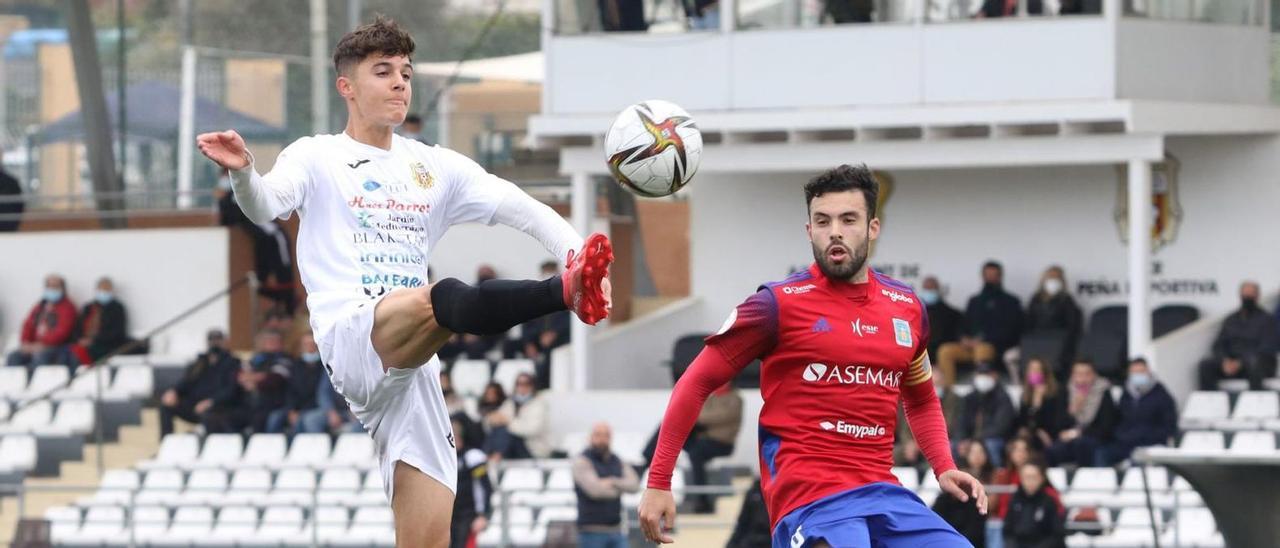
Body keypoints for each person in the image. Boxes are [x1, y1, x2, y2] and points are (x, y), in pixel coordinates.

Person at [196, 16, 613, 547]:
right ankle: (560, 294)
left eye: (407, 73)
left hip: (414, 370)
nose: (399, 83)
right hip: (353, 332)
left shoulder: (434, 166)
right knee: (440, 300)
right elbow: (265, 205)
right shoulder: (316, 155)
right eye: (383, 71)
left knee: (428, 540)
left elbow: (521, 208)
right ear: (347, 87)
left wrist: (575, 252)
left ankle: (568, 285)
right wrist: (242, 173)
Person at [638, 165, 985, 546]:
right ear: (810, 231)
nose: (834, 230)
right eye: (823, 221)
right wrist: (659, 481)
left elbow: (920, 398)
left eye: (848, 219)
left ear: (873, 227)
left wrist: (944, 466)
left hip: (883, 492)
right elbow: (697, 380)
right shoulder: (774, 306)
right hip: (811, 497)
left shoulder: (907, 308)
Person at [641, 379, 743, 513]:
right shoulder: (712, 397)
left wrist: (695, 417)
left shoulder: (735, 399)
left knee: (696, 453)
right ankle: (648, 458)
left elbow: (720, 416)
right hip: (703, 439)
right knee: (670, 424)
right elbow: (699, 412)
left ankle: (702, 500)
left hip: (721, 443)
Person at [935, 261, 1022, 386]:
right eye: (988, 275)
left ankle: (980, 390)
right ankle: (948, 389)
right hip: (969, 346)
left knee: (982, 349)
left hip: (994, 347)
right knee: (945, 351)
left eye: (994, 275)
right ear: (983, 276)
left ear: (1000, 276)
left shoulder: (1011, 302)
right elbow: (963, 324)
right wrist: (963, 338)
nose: (990, 278)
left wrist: (984, 339)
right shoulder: (974, 301)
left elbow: (1011, 331)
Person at [205, 330, 292, 434]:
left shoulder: (284, 359)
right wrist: (256, 378)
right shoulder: (255, 359)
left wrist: (255, 382)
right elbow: (240, 376)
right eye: (268, 341)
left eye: (274, 341)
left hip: (272, 405)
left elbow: (275, 378)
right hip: (249, 405)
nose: (270, 343)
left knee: (259, 420)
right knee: (223, 417)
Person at [1095, 358, 1177, 466]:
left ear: (1148, 372)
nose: (1137, 376)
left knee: (1137, 461)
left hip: (1150, 444)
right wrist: (1121, 435)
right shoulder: (1127, 394)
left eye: (1141, 372)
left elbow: (1169, 426)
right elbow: (1119, 419)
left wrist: (1145, 436)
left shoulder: (1162, 396)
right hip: (1126, 443)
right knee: (1101, 453)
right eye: (1134, 372)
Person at [158, 329, 240, 436]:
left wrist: (211, 401)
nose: (215, 342)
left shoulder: (232, 363)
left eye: (218, 339)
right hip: (195, 405)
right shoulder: (200, 362)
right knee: (167, 405)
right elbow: (186, 382)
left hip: (218, 407)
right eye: (212, 339)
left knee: (212, 414)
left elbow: (231, 390)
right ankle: (166, 442)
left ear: (225, 341)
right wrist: (174, 391)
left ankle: (203, 441)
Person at [1197, 281, 1278, 390]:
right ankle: (1211, 402)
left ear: (1257, 296)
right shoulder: (1231, 320)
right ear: (1240, 296)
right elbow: (1219, 344)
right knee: (1205, 365)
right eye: (1245, 295)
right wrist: (1224, 361)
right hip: (1231, 363)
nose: (1247, 298)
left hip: (1257, 364)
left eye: (1250, 295)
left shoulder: (1267, 320)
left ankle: (1254, 403)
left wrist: (1241, 362)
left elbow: (1267, 348)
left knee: (1255, 363)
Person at [574, 422, 641, 548]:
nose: (602, 439)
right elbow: (595, 491)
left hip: (616, 529)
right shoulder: (582, 461)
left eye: (606, 435)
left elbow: (634, 485)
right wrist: (620, 488)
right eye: (598, 435)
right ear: (591, 437)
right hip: (590, 531)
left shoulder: (617, 460)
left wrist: (612, 481)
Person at [1045, 360, 1118, 466]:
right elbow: (1059, 423)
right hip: (1069, 439)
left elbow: (1106, 427)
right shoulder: (1066, 391)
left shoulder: (1103, 392)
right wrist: (1072, 410)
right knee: (1051, 450)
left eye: (1087, 374)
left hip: (1093, 438)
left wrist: (1079, 433)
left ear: (1094, 375)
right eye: (1079, 374)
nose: (1083, 378)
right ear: (1073, 375)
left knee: (1082, 445)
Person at [7, 274, 79, 370]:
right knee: (14, 357)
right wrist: (26, 343)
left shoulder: (68, 307)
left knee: (40, 357)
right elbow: (27, 325)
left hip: (57, 347)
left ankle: (33, 384)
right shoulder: (40, 306)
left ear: (62, 289)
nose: (51, 289)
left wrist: (43, 344)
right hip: (34, 346)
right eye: (49, 286)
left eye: (55, 286)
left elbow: (62, 332)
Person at [932, 441, 993, 547]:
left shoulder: (977, 499)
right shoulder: (942, 500)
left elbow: (975, 532)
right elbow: (935, 523)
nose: (961, 483)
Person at [266, 333, 329, 434]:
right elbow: (290, 391)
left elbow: (323, 392)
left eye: (312, 344)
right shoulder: (295, 365)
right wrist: (292, 410)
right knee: (275, 418)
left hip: (315, 407)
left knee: (303, 420)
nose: (309, 347)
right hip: (296, 407)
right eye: (306, 344)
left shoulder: (325, 366)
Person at [956, 362, 1016, 467]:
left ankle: (997, 473)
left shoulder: (1003, 397)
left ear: (995, 375)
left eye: (987, 374)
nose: (983, 378)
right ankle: (957, 473)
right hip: (972, 437)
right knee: (954, 445)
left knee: (990, 445)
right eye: (980, 374)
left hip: (995, 438)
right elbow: (961, 421)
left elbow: (1001, 427)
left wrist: (976, 440)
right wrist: (962, 438)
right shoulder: (969, 397)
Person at [1023, 266, 1083, 371]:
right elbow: (1028, 323)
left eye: (1057, 278)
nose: (1053, 281)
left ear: (1062, 281)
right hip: (1036, 342)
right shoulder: (1036, 299)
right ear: (1044, 279)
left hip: (1059, 344)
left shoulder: (1067, 300)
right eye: (1051, 278)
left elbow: (1072, 326)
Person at [484, 373, 553, 460]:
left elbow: (532, 430)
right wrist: (492, 419)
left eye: (526, 384)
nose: (522, 387)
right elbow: (495, 420)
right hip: (511, 447)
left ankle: (493, 457)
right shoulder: (510, 403)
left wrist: (508, 422)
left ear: (532, 386)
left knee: (505, 430)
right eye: (519, 384)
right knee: (498, 429)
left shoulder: (539, 405)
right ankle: (491, 455)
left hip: (533, 450)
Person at [449, 417, 492, 548]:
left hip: (468, 515)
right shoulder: (445, 459)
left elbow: (486, 487)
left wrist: (483, 515)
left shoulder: (473, 457)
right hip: (449, 514)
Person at [1002, 462, 1065, 548]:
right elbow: (1008, 531)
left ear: (1041, 478)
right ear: (1021, 478)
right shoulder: (1015, 499)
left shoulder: (1049, 501)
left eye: (1034, 477)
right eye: (1027, 477)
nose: (1030, 481)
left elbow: (1057, 534)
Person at [75, 277, 134, 363]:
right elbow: (78, 327)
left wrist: (94, 341)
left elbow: (118, 332)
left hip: (107, 344)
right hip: (85, 343)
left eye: (107, 289)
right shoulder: (88, 308)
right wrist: (80, 339)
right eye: (101, 289)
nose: (104, 292)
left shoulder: (117, 308)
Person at [1017, 358, 1065, 450]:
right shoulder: (1026, 395)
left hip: (1050, 434)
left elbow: (1053, 421)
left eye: (1037, 370)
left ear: (1045, 373)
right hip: (1034, 434)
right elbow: (1024, 421)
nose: (1034, 373)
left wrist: (1039, 403)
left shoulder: (1055, 394)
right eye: (1031, 369)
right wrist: (1036, 405)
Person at [919, 276, 963, 362]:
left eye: (931, 289)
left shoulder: (952, 314)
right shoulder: (915, 313)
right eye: (926, 289)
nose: (928, 292)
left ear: (938, 290)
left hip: (939, 355)